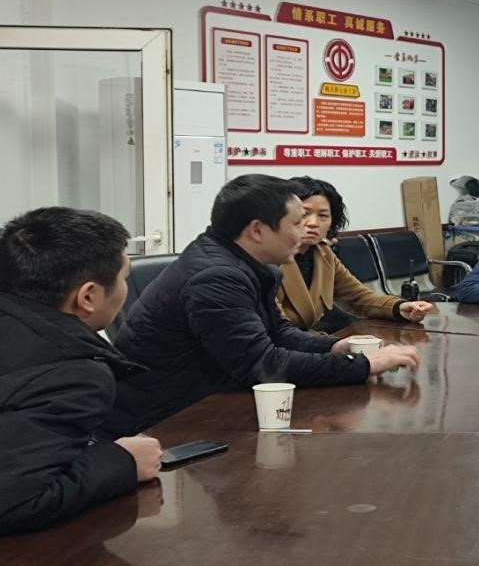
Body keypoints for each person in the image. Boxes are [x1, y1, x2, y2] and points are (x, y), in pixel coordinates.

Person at [109, 175, 419, 434]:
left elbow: (278, 332)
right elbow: (264, 364)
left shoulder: (248, 262)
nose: (304, 231)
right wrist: (364, 364)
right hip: (166, 420)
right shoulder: (216, 277)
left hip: (210, 399)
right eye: (296, 223)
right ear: (257, 230)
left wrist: (334, 347)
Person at [0, 207, 162, 559]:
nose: (125, 289)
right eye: (124, 278)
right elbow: (1, 503)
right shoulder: (74, 373)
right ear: (88, 296)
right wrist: (122, 462)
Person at [278, 176, 434, 332]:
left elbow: (359, 298)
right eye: (304, 213)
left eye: (323, 216)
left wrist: (400, 308)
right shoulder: (270, 257)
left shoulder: (323, 253)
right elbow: (276, 328)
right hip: (284, 341)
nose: (313, 223)